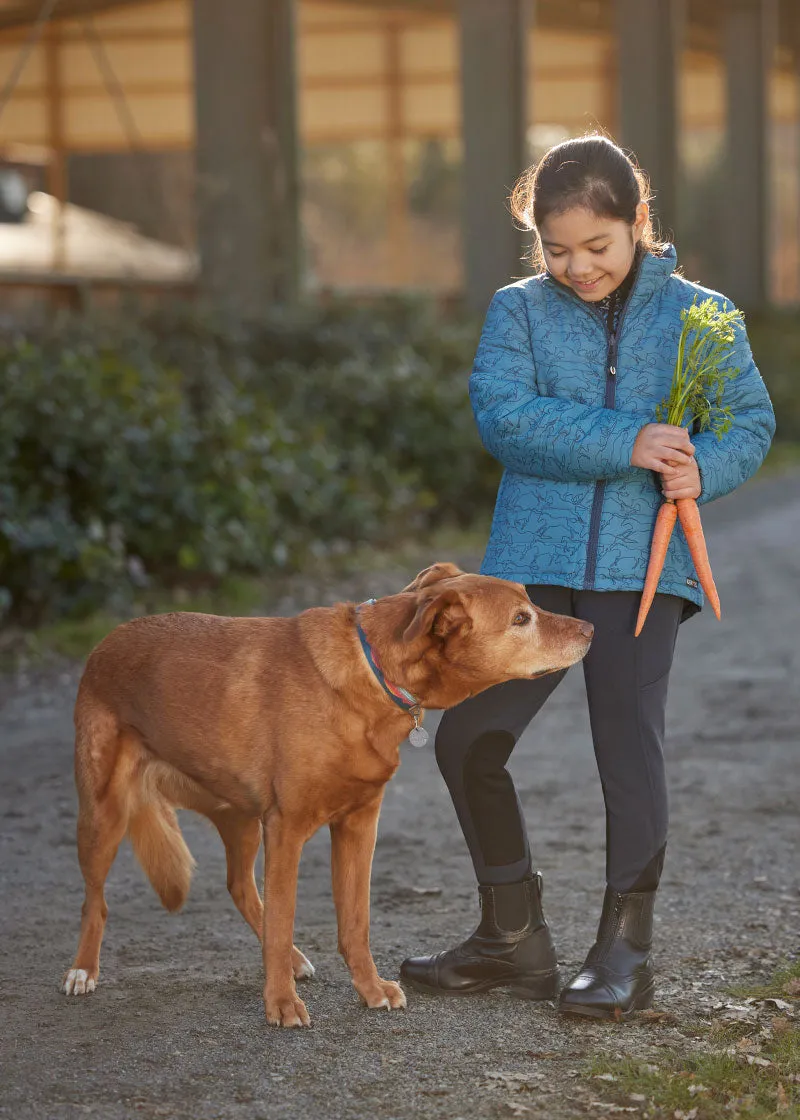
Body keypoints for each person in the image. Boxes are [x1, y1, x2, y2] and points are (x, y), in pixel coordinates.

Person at [399, 135, 775, 1020]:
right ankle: (513, 938)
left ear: (638, 223)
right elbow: (504, 417)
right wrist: (628, 442)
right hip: (531, 567)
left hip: (644, 566)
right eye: (556, 250)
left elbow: (747, 423)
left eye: (597, 247)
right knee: (467, 741)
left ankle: (625, 953)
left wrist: (701, 470)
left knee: (626, 747)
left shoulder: (702, 315)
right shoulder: (517, 311)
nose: (577, 268)